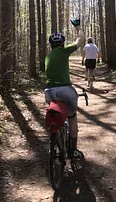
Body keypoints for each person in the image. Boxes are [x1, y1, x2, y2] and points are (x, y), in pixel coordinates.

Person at [44, 19, 85, 160]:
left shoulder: (47, 57)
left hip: (49, 92)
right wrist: (78, 27)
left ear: (51, 45)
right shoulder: (64, 51)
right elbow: (81, 41)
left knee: (55, 114)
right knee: (72, 118)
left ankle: (57, 140)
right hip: (66, 90)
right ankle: (73, 150)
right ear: (62, 44)